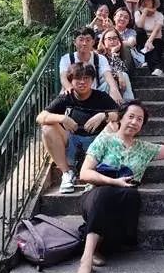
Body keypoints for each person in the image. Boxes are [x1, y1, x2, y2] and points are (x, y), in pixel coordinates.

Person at [76, 99, 164, 273]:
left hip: (124, 199)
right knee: (105, 194)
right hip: (95, 196)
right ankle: (87, 259)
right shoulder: (105, 140)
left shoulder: (144, 148)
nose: (134, 122)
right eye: (130, 116)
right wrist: (114, 182)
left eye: (139, 119)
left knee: (131, 195)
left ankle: (99, 245)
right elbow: (84, 173)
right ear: (121, 118)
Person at [37, 63, 120, 194]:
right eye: (78, 78)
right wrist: (62, 118)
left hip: (97, 144)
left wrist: (103, 115)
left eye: (86, 78)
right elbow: (40, 117)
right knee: (47, 128)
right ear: (71, 81)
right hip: (72, 142)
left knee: (115, 125)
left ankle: (106, 167)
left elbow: (120, 115)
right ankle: (66, 173)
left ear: (92, 80)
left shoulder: (102, 97)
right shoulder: (66, 97)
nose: (82, 82)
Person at [59, 27, 123, 104]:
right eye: (81, 40)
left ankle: (122, 108)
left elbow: (108, 75)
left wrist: (114, 90)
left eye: (88, 40)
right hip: (75, 92)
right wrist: (70, 89)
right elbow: (63, 77)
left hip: (95, 92)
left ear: (93, 42)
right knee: (64, 90)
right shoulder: (67, 58)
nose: (84, 43)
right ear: (74, 42)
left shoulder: (100, 58)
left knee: (111, 84)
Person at [134, 0, 164, 77]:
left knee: (156, 44)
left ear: (153, 2)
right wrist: (145, 12)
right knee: (140, 31)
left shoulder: (159, 15)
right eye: (143, 0)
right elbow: (140, 26)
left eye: (147, 0)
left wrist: (149, 41)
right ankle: (153, 65)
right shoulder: (138, 13)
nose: (145, 2)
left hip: (155, 39)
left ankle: (156, 68)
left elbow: (156, 30)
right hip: (142, 41)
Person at [97, 28, 134, 101]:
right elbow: (103, 74)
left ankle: (127, 102)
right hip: (102, 85)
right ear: (103, 41)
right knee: (121, 76)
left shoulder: (124, 54)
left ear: (119, 40)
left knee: (124, 75)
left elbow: (125, 70)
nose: (112, 41)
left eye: (115, 38)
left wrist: (113, 53)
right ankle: (128, 102)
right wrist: (118, 75)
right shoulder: (98, 56)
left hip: (119, 85)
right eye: (109, 39)